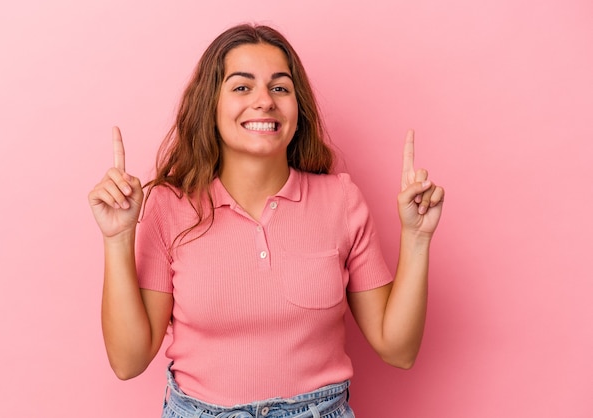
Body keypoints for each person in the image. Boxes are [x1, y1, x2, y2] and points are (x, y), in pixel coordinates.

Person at [88, 23, 444, 418]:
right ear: (212, 104)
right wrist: (118, 238)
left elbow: (398, 349)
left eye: (280, 87)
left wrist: (416, 238)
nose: (264, 101)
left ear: (297, 107)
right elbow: (128, 361)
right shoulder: (169, 206)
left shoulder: (340, 200)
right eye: (242, 87)